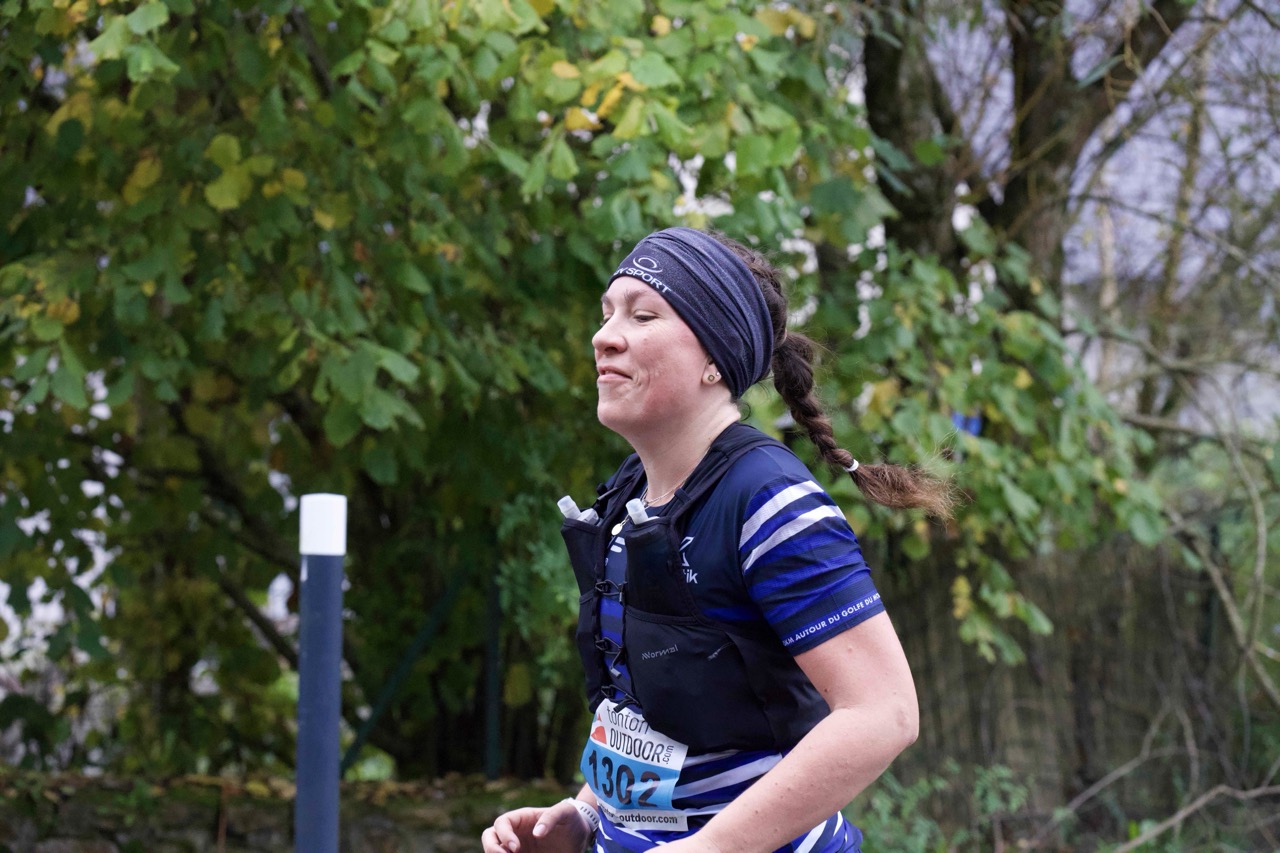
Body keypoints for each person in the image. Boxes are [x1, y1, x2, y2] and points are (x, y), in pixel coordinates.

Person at [481, 227, 952, 853]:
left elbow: (884, 714)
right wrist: (587, 815)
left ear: (714, 359)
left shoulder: (768, 500)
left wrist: (709, 848)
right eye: (607, 313)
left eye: (643, 316)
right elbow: (647, 706)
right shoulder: (629, 494)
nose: (604, 336)